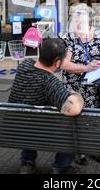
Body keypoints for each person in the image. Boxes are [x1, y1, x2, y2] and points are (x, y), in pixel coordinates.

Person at [8, 38, 84, 174]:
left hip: (15, 129)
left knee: (28, 119)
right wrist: (76, 95)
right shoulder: (50, 82)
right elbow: (74, 108)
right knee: (72, 126)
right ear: (57, 62)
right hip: (42, 134)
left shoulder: (24, 65)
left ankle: (27, 162)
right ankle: (61, 166)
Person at [60, 3, 100, 164]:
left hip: (95, 88)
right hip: (75, 89)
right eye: (76, 17)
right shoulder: (68, 38)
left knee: (95, 119)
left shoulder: (97, 34)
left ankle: (93, 149)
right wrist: (86, 67)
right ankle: (78, 153)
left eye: (82, 17)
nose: (79, 21)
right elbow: (63, 65)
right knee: (76, 120)